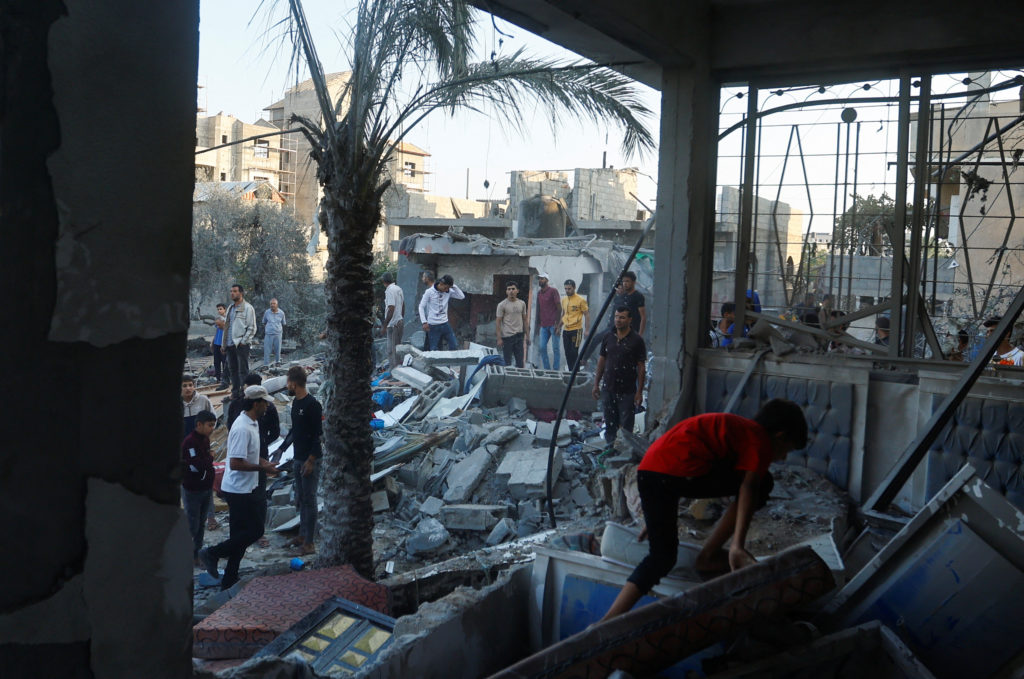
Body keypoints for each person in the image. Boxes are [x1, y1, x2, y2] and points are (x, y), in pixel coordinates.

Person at [599, 399, 808, 621]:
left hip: (651, 473)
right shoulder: (759, 439)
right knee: (763, 482)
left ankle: (606, 621)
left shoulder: (736, 431)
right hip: (670, 476)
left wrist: (659, 518)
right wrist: (737, 545)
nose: (783, 457)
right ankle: (707, 556)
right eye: (786, 450)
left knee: (661, 557)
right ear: (780, 436)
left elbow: (677, 460)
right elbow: (749, 486)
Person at [200, 385, 278, 590]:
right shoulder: (242, 427)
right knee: (255, 530)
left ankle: (229, 579)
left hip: (246, 487)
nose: (268, 406)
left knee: (238, 537)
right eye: (264, 402)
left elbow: (250, 455)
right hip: (238, 490)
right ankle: (212, 553)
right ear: (255, 403)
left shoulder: (252, 422)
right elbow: (234, 462)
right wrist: (262, 468)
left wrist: (264, 463)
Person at [593, 307, 646, 451]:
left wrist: (639, 392)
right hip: (608, 389)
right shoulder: (608, 337)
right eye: (616, 317)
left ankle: (626, 455)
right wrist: (596, 384)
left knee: (626, 427)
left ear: (629, 320)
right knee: (610, 424)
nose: (618, 320)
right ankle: (610, 452)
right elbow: (602, 361)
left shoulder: (637, 341)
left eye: (622, 317)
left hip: (627, 392)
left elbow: (641, 367)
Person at [282, 366, 322, 555]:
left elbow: (318, 436)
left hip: (308, 460)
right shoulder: (296, 404)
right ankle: (302, 534)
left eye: (288, 382)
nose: (286, 385)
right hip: (297, 458)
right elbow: (295, 431)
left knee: (310, 499)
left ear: (294, 383)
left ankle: (309, 543)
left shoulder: (312, 405)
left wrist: (311, 460)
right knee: (301, 499)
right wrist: (281, 449)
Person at [181, 410, 216, 564]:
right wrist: (210, 458)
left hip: (206, 487)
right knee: (192, 524)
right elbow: (196, 466)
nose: (212, 429)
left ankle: (196, 554)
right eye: (209, 425)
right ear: (199, 425)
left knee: (201, 524)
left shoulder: (205, 440)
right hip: (193, 489)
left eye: (213, 425)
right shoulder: (190, 442)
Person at [223, 284, 257, 399]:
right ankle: (235, 392)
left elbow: (252, 327)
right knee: (232, 370)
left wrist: (243, 341)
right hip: (230, 344)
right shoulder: (230, 308)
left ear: (241, 293)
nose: (232, 293)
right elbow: (227, 326)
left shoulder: (248, 308)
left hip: (241, 344)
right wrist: (224, 344)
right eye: (231, 291)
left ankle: (244, 392)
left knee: (243, 370)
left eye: (235, 291)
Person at [419, 274, 465, 351]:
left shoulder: (448, 291)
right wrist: (424, 322)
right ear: (441, 284)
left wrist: (453, 286)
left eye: (448, 288)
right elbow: (421, 307)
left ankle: (451, 362)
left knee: (454, 345)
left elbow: (461, 296)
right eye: (446, 287)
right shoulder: (429, 292)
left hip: (445, 324)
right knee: (434, 349)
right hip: (433, 325)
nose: (446, 290)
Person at [558, 279, 590, 371]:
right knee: (567, 353)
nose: (567, 290)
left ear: (574, 288)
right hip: (566, 330)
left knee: (573, 352)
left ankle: (576, 371)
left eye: (569, 288)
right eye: (566, 289)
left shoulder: (580, 300)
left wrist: (587, 330)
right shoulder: (564, 300)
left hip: (576, 330)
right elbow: (564, 314)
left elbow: (587, 314)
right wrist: (559, 327)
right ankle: (572, 371)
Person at [496, 281, 529, 368]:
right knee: (507, 363)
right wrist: (499, 338)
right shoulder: (502, 305)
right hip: (507, 337)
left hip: (519, 336)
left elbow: (525, 320)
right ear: (506, 291)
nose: (511, 291)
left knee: (520, 363)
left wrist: (528, 336)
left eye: (513, 289)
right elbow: (498, 322)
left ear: (517, 290)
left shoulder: (522, 303)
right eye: (509, 289)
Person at [535, 272, 561, 371]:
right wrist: (538, 325)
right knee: (542, 347)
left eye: (542, 278)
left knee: (556, 348)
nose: (540, 280)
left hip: (553, 324)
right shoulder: (539, 293)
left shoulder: (553, 291)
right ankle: (547, 369)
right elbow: (539, 310)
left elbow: (559, 308)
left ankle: (556, 369)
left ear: (547, 280)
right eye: (539, 279)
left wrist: (558, 324)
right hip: (543, 325)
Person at [382, 272, 404, 368]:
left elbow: (391, 308)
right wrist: (401, 318)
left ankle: (394, 373)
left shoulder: (389, 290)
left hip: (393, 325)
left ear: (384, 281)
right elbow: (403, 305)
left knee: (392, 351)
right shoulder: (398, 289)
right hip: (399, 322)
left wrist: (385, 325)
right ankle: (396, 371)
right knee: (397, 350)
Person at [182, 375, 213, 440]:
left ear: (194, 387)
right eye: (184, 386)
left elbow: (212, 418)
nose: (188, 388)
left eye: (190, 385)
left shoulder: (203, 400)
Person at [262, 298, 286, 366]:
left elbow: (283, 323)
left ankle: (278, 362)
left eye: (274, 304)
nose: (272, 305)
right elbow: (264, 322)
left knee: (278, 349)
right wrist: (268, 329)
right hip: (268, 334)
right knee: (267, 350)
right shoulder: (267, 312)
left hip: (278, 334)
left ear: (277, 304)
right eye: (271, 304)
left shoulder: (281, 313)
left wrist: (277, 329)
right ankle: (266, 365)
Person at [211, 303, 228, 389]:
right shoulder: (218, 320)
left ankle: (225, 378)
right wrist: (213, 341)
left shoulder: (227, 320)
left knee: (224, 361)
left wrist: (224, 345)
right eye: (218, 309)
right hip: (217, 343)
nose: (219, 311)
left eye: (221, 309)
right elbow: (217, 331)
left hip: (223, 344)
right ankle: (218, 378)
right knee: (216, 361)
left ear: (225, 309)